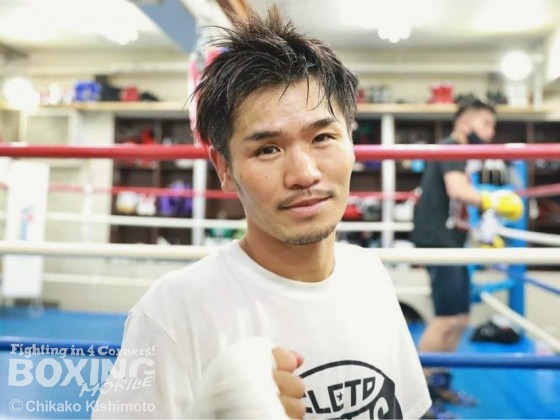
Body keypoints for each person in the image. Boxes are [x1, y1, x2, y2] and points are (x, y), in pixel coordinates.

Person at [93, 6, 431, 419]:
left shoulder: (370, 276)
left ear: (351, 142)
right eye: (267, 149)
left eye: (322, 137)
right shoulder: (172, 312)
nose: (304, 174)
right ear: (224, 169)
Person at [409, 99, 523, 414]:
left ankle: (438, 382)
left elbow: (457, 206)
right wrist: (495, 201)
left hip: (452, 242)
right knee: (446, 318)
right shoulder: (452, 147)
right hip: (439, 243)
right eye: (486, 124)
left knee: (460, 318)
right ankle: (418, 394)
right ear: (465, 123)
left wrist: (483, 231)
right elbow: (457, 190)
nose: (490, 133)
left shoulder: (462, 154)